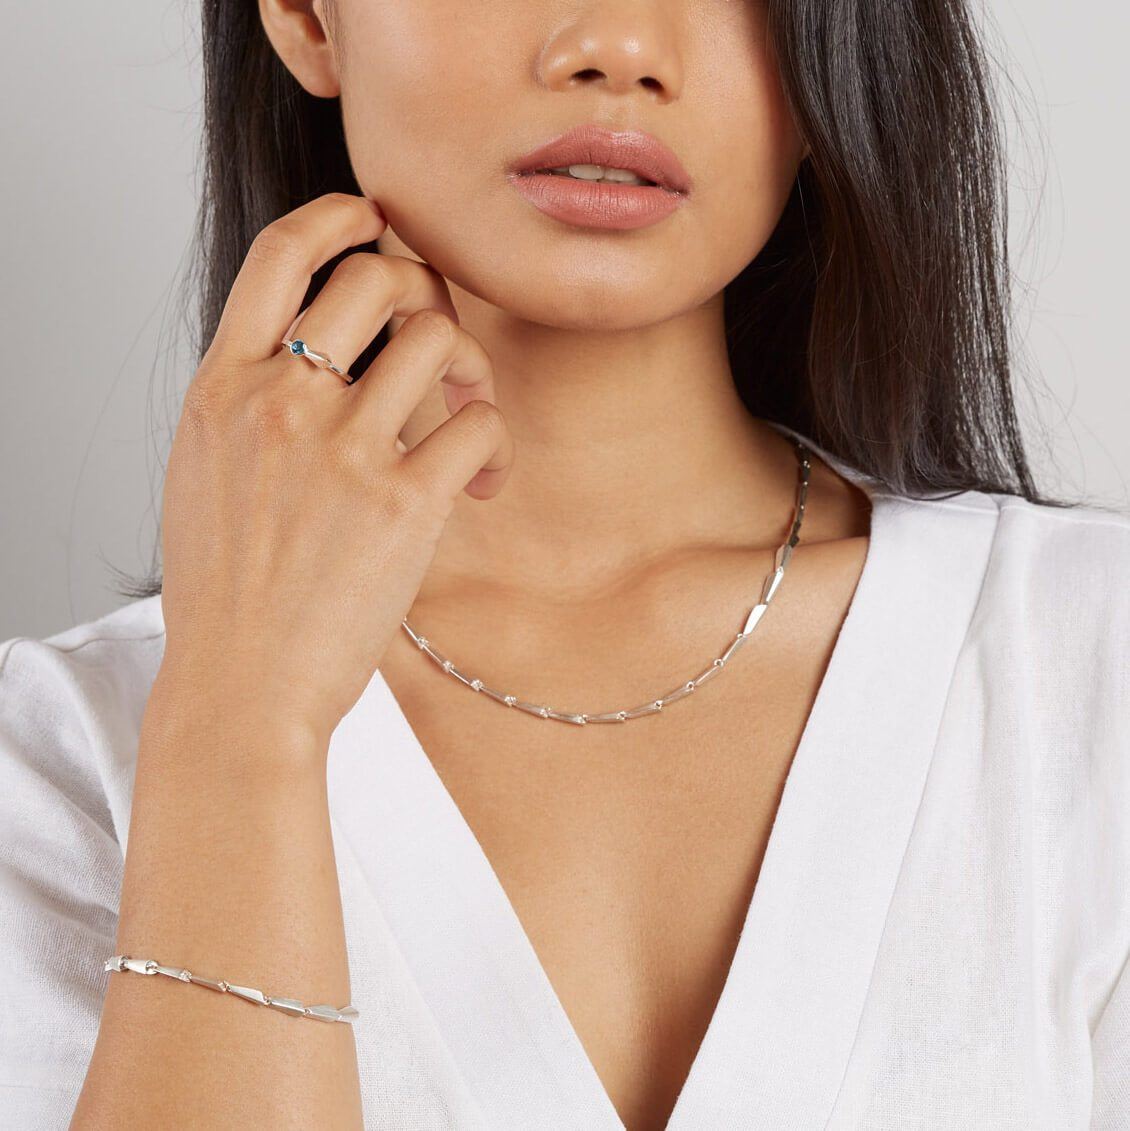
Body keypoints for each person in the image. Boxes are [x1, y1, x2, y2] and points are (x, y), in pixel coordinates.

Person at [1, 0, 1127, 1127]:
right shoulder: (47, 769)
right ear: (306, 17)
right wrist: (241, 729)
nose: (618, 48)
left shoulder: (1089, 664)